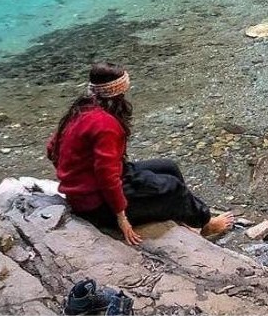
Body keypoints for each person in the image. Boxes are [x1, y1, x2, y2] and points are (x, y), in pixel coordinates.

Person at [46, 62, 234, 245]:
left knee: (168, 167)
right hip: (97, 205)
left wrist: (74, 176)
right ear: (118, 93)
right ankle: (206, 223)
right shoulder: (106, 125)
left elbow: (51, 149)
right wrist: (122, 217)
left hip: (93, 188)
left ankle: (187, 215)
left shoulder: (80, 110)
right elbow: (107, 177)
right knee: (173, 186)